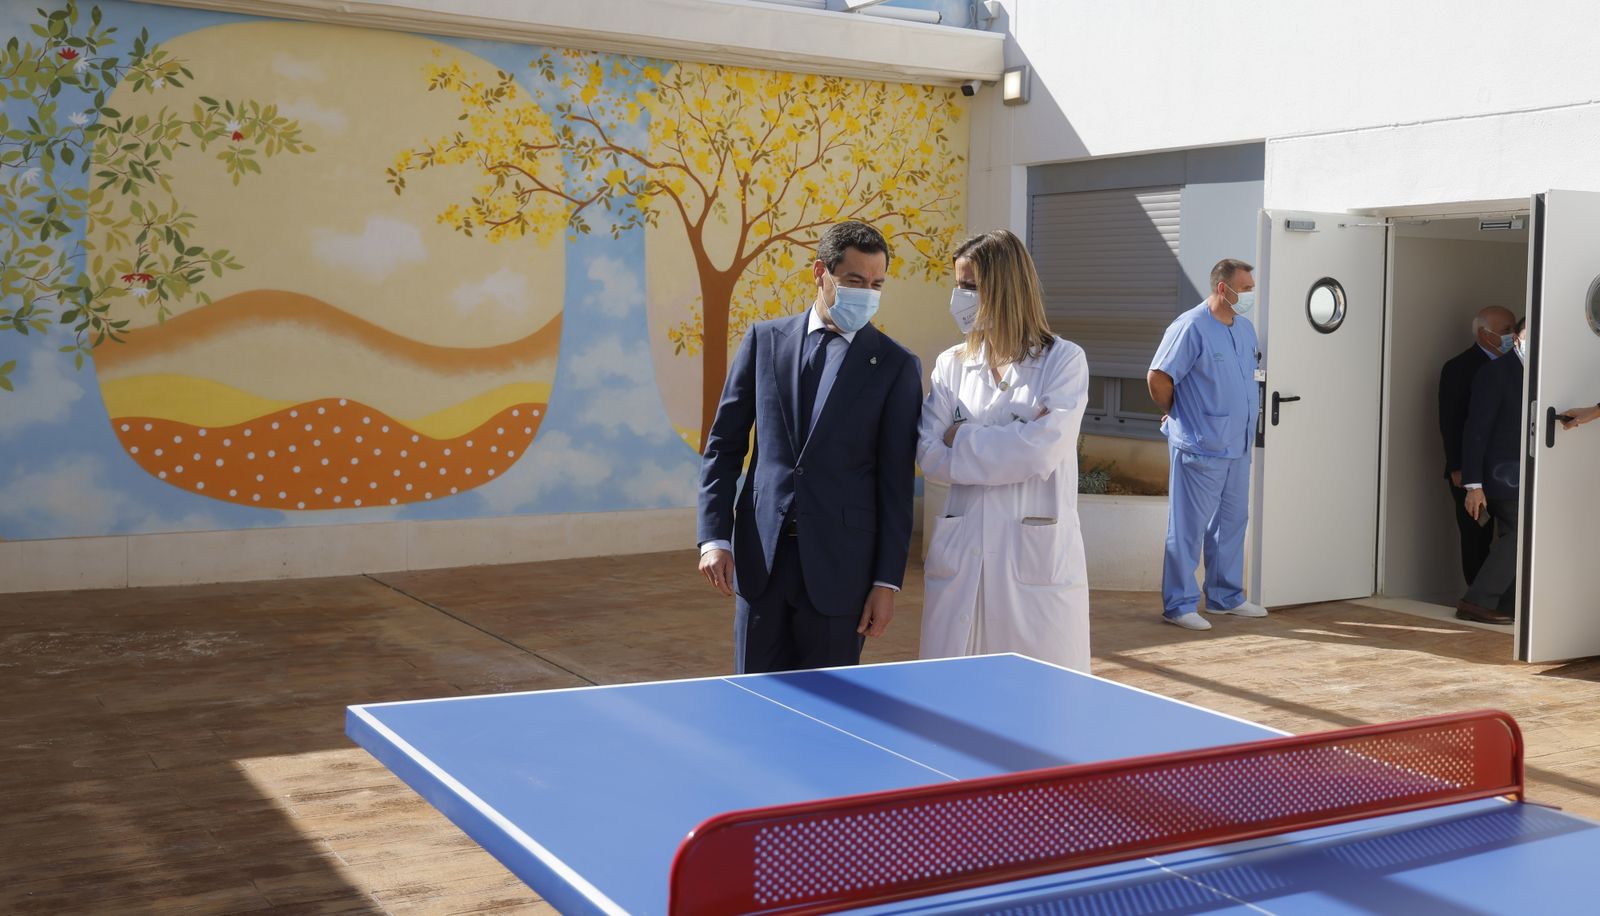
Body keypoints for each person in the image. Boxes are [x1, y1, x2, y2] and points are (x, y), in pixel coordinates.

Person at [696, 220, 922, 673]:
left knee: (830, 709)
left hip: (842, 572)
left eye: (877, 284)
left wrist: (886, 583)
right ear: (821, 272)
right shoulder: (763, 341)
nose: (867, 293)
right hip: (762, 563)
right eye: (855, 281)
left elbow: (895, 484)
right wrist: (713, 538)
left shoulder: (896, 366)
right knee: (755, 705)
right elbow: (724, 446)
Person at [916, 230, 1091, 671]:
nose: (960, 297)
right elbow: (928, 456)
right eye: (958, 285)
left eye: (970, 286)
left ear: (1005, 288)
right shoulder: (951, 364)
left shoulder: (1063, 361)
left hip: (1034, 562)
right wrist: (1010, 442)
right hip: (963, 558)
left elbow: (1041, 452)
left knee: (1039, 702)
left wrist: (963, 437)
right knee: (952, 700)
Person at [1146, 258, 1266, 631]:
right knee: (1188, 527)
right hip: (1199, 445)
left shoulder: (1244, 330)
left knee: (1231, 523)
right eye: (1244, 288)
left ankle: (1224, 597)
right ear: (1222, 288)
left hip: (1238, 445)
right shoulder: (1190, 327)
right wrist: (1179, 413)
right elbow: (1159, 377)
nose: (1248, 295)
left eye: (1249, 288)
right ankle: (1179, 605)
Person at [1438, 306, 1516, 584]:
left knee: (1510, 536)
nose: (1512, 335)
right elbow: (1453, 421)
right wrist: (1459, 467)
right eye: (1506, 330)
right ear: (1485, 334)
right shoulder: (1459, 367)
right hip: (1469, 473)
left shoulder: (1517, 366)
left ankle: (1499, 599)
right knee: (1476, 537)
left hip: (1503, 473)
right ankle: (1476, 599)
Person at [1457, 318, 1526, 625]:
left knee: (1517, 537)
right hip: (1501, 476)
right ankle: (1477, 601)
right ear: (1518, 337)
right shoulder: (1495, 373)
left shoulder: (1542, 372)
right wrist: (1474, 485)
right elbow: (1476, 431)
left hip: (1529, 475)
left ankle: (1506, 605)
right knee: (1521, 533)